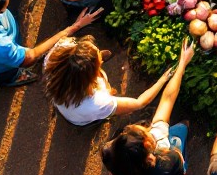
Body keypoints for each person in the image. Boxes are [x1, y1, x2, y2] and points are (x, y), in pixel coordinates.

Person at [100, 38, 194, 175]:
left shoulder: (110, 156)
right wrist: (182, 64)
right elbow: (167, 100)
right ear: (149, 144)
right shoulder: (166, 154)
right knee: (180, 131)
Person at [44, 36, 175, 126]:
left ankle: (91, 62)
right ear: (90, 75)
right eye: (98, 61)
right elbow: (139, 103)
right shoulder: (96, 103)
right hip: (83, 118)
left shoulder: (54, 58)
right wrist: (163, 79)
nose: (100, 58)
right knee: (110, 106)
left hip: (73, 100)